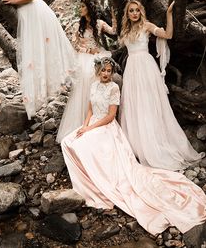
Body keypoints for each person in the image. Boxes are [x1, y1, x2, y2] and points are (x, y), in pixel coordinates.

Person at [61, 57, 206, 236]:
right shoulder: (93, 86)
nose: (106, 74)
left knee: (84, 144)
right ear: (98, 71)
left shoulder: (114, 88)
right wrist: (84, 126)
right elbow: (90, 110)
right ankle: (87, 181)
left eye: (109, 71)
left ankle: (99, 178)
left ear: (112, 72)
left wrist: (90, 129)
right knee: (68, 141)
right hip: (93, 123)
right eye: (103, 70)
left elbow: (110, 116)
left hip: (106, 128)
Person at [119, 0, 204, 170]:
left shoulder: (147, 26)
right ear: (127, 14)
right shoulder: (126, 30)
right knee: (134, 105)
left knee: (149, 104)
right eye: (131, 11)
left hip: (145, 67)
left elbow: (168, 35)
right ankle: (138, 144)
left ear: (141, 11)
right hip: (131, 69)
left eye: (137, 10)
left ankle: (155, 143)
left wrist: (169, 15)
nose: (134, 13)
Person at [56, 0, 117, 143]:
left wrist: (114, 18)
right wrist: (88, 50)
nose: (80, 9)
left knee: (99, 86)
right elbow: (74, 44)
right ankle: (80, 123)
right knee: (84, 87)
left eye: (83, 6)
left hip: (97, 56)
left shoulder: (99, 23)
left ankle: (97, 121)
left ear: (89, 8)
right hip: (84, 57)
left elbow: (114, 32)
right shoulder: (78, 25)